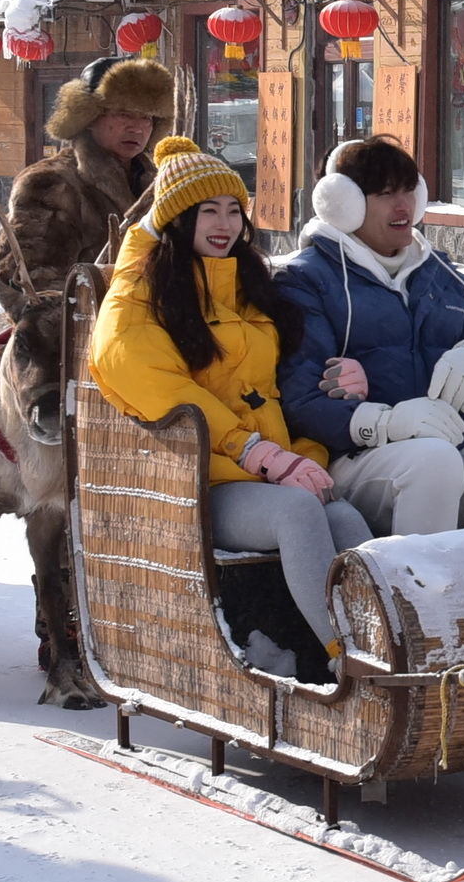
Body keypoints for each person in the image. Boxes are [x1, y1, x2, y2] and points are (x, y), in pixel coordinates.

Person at [91, 138, 370, 658]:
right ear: (176, 219)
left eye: (233, 211)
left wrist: (312, 443)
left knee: (344, 516)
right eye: (207, 211)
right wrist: (259, 454)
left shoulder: (248, 287)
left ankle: (386, 647)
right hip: (195, 479)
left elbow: (283, 388)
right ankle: (350, 661)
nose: (224, 224)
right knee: (297, 513)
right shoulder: (137, 298)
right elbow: (167, 391)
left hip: (265, 473)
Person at [276, 136, 464, 537]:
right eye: (385, 194)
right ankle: (419, 594)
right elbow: (300, 401)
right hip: (356, 461)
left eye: (409, 190)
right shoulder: (306, 280)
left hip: (452, 448)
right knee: (432, 461)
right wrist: (385, 422)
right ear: (342, 204)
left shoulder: (440, 274)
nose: (403, 206)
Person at [0, 53, 172, 323]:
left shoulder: (161, 183)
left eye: (147, 118)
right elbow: (30, 282)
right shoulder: (52, 184)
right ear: (88, 116)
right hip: (81, 336)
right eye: (123, 114)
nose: (137, 127)